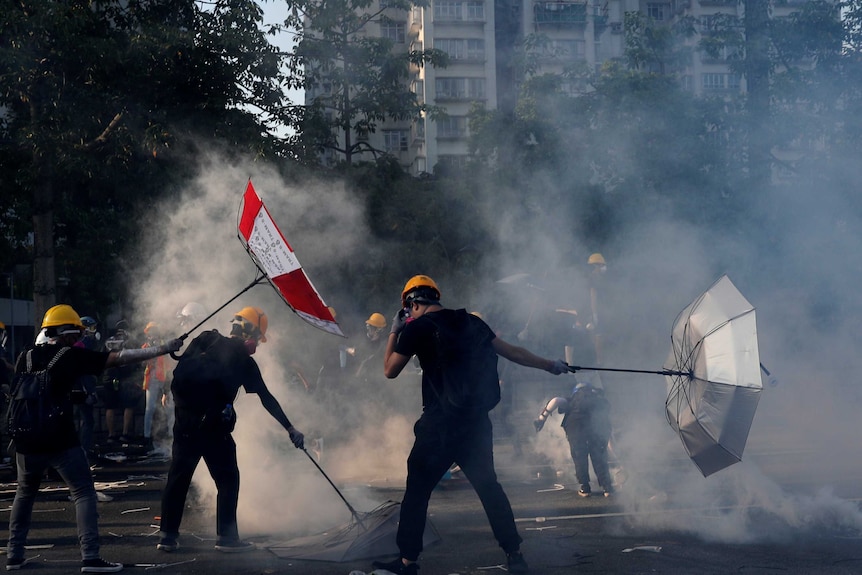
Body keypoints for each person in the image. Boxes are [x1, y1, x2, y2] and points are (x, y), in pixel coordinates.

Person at [374, 275, 569, 575]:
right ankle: (514, 554)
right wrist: (550, 365)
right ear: (435, 297)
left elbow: (389, 370)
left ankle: (407, 561)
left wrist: (395, 331)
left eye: (408, 309)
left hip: (439, 426)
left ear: (412, 303)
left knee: (417, 492)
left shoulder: (418, 329)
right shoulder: (472, 323)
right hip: (476, 423)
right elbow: (513, 352)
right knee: (489, 488)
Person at [6, 304, 181, 573]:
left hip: (25, 440)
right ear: (65, 333)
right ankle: (90, 557)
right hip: (59, 439)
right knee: (83, 492)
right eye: (75, 334)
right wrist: (162, 348)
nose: (78, 340)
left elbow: (36, 391)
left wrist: (70, 396)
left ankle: (14, 556)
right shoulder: (70, 356)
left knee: (25, 493)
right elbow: (120, 357)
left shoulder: (24, 357)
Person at [157, 306, 306, 553]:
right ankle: (227, 538)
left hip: (184, 424)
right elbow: (266, 398)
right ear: (251, 334)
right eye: (258, 338)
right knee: (227, 479)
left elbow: (179, 369)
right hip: (215, 429)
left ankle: (167, 536)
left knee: (178, 478)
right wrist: (290, 428)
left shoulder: (204, 338)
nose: (257, 343)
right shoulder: (245, 362)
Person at [533, 381, 614, 497]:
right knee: (599, 456)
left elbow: (555, 400)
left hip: (575, 427)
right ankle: (608, 488)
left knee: (579, 456)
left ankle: (585, 488)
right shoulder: (599, 400)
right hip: (596, 427)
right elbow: (606, 428)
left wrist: (541, 419)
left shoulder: (573, 399)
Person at [101, 320, 144, 444]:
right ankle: (125, 434)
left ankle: (111, 435)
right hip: (125, 378)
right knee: (128, 406)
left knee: (110, 407)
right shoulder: (130, 341)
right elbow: (135, 358)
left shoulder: (108, 341)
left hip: (108, 377)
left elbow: (101, 357)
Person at [141, 322, 174, 451]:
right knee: (149, 409)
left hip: (164, 379)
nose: (152, 334)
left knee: (170, 408)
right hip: (152, 380)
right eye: (150, 331)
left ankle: (171, 434)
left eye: (154, 331)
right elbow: (142, 362)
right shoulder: (145, 346)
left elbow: (169, 363)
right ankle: (147, 436)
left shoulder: (164, 345)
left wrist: (168, 381)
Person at [73, 316, 102, 460]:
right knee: (87, 420)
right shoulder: (83, 344)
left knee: (82, 420)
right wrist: (90, 391)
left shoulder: (77, 343)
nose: (93, 331)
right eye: (91, 328)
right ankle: (83, 450)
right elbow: (84, 371)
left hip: (76, 387)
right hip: (82, 388)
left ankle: (81, 449)